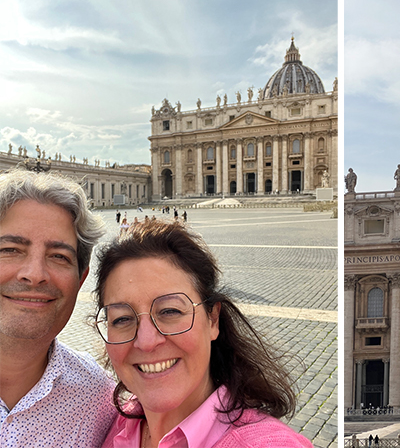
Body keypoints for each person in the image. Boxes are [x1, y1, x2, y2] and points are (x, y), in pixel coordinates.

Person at [95, 220, 312, 447]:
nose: (147, 342)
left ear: (213, 320)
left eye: (170, 311)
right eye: (122, 319)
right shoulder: (115, 423)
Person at [0, 169, 116, 446]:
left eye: (59, 256)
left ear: (80, 280)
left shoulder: (101, 401)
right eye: (10, 250)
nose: (34, 274)